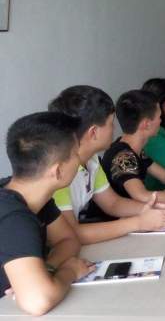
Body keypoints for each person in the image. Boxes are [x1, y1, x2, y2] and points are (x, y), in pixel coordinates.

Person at [48, 86, 165, 243]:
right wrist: (138, 223)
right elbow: (71, 234)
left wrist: (153, 210)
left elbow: (113, 203)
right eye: (110, 123)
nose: (114, 129)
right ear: (93, 132)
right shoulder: (59, 173)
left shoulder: (92, 160)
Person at [0, 112, 93, 315]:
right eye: (75, 154)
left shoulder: (31, 195)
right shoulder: (14, 217)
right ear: (57, 171)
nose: (79, 161)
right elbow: (37, 301)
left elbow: (68, 240)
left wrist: (46, 270)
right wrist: (70, 271)